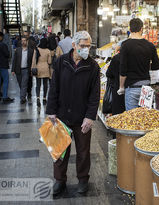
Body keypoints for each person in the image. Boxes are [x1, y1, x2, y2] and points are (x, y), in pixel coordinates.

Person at [46, 31, 100, 195]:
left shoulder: (92, 66)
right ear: (74, 45)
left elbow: (94, 95)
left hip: (82, 117)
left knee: (83, 152)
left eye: (88, 46)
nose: (86, 49)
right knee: (60, 151)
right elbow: (54, 87)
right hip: (62, 115)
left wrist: (90, 117)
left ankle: (83, 180)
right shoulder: (61, 62)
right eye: (82, 46)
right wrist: (51, 111)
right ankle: (59, 181)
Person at [118, 18, 159, 110]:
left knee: (132, 119)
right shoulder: (150, 45)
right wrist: (145, 66)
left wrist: (121, 87)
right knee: (144, 118)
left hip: (132, 87)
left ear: (130, 30)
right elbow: (157, 65)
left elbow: (123, 69)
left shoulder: (125, 45)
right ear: (142, 29)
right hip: (147, 88)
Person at [11, 36, 34, 104]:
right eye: (22, 41)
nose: (23, 42)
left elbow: (32, 61)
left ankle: (22, 98)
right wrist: (12, 70)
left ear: (27, 42)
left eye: (24, 40)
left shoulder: (30, 51)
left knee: (24, 84)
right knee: (20, 84)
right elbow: (14, 60)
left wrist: (32, 70)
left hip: (26, 70)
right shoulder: (18, 50)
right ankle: (23, 94)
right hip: (18, 70)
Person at [31, 38, 52, 107]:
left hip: (38, 68)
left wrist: (32, 68)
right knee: (45, 84)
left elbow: (34, 60)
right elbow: (49, 62)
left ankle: (37, 97)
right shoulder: (48, 51)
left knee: (38, 84)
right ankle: (44, 98)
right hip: (45, 68)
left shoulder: (36, 50)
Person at [106, 45, 125, 115]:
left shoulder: (116, 58)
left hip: (117, 88)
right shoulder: (132, 59)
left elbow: (108, 74)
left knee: (118, 112)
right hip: (129, 88)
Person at [0, 32, 14, 103]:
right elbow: (7, 54)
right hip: (3, 65)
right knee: (5, 81)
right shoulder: (3, 45)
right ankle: (5, 97)